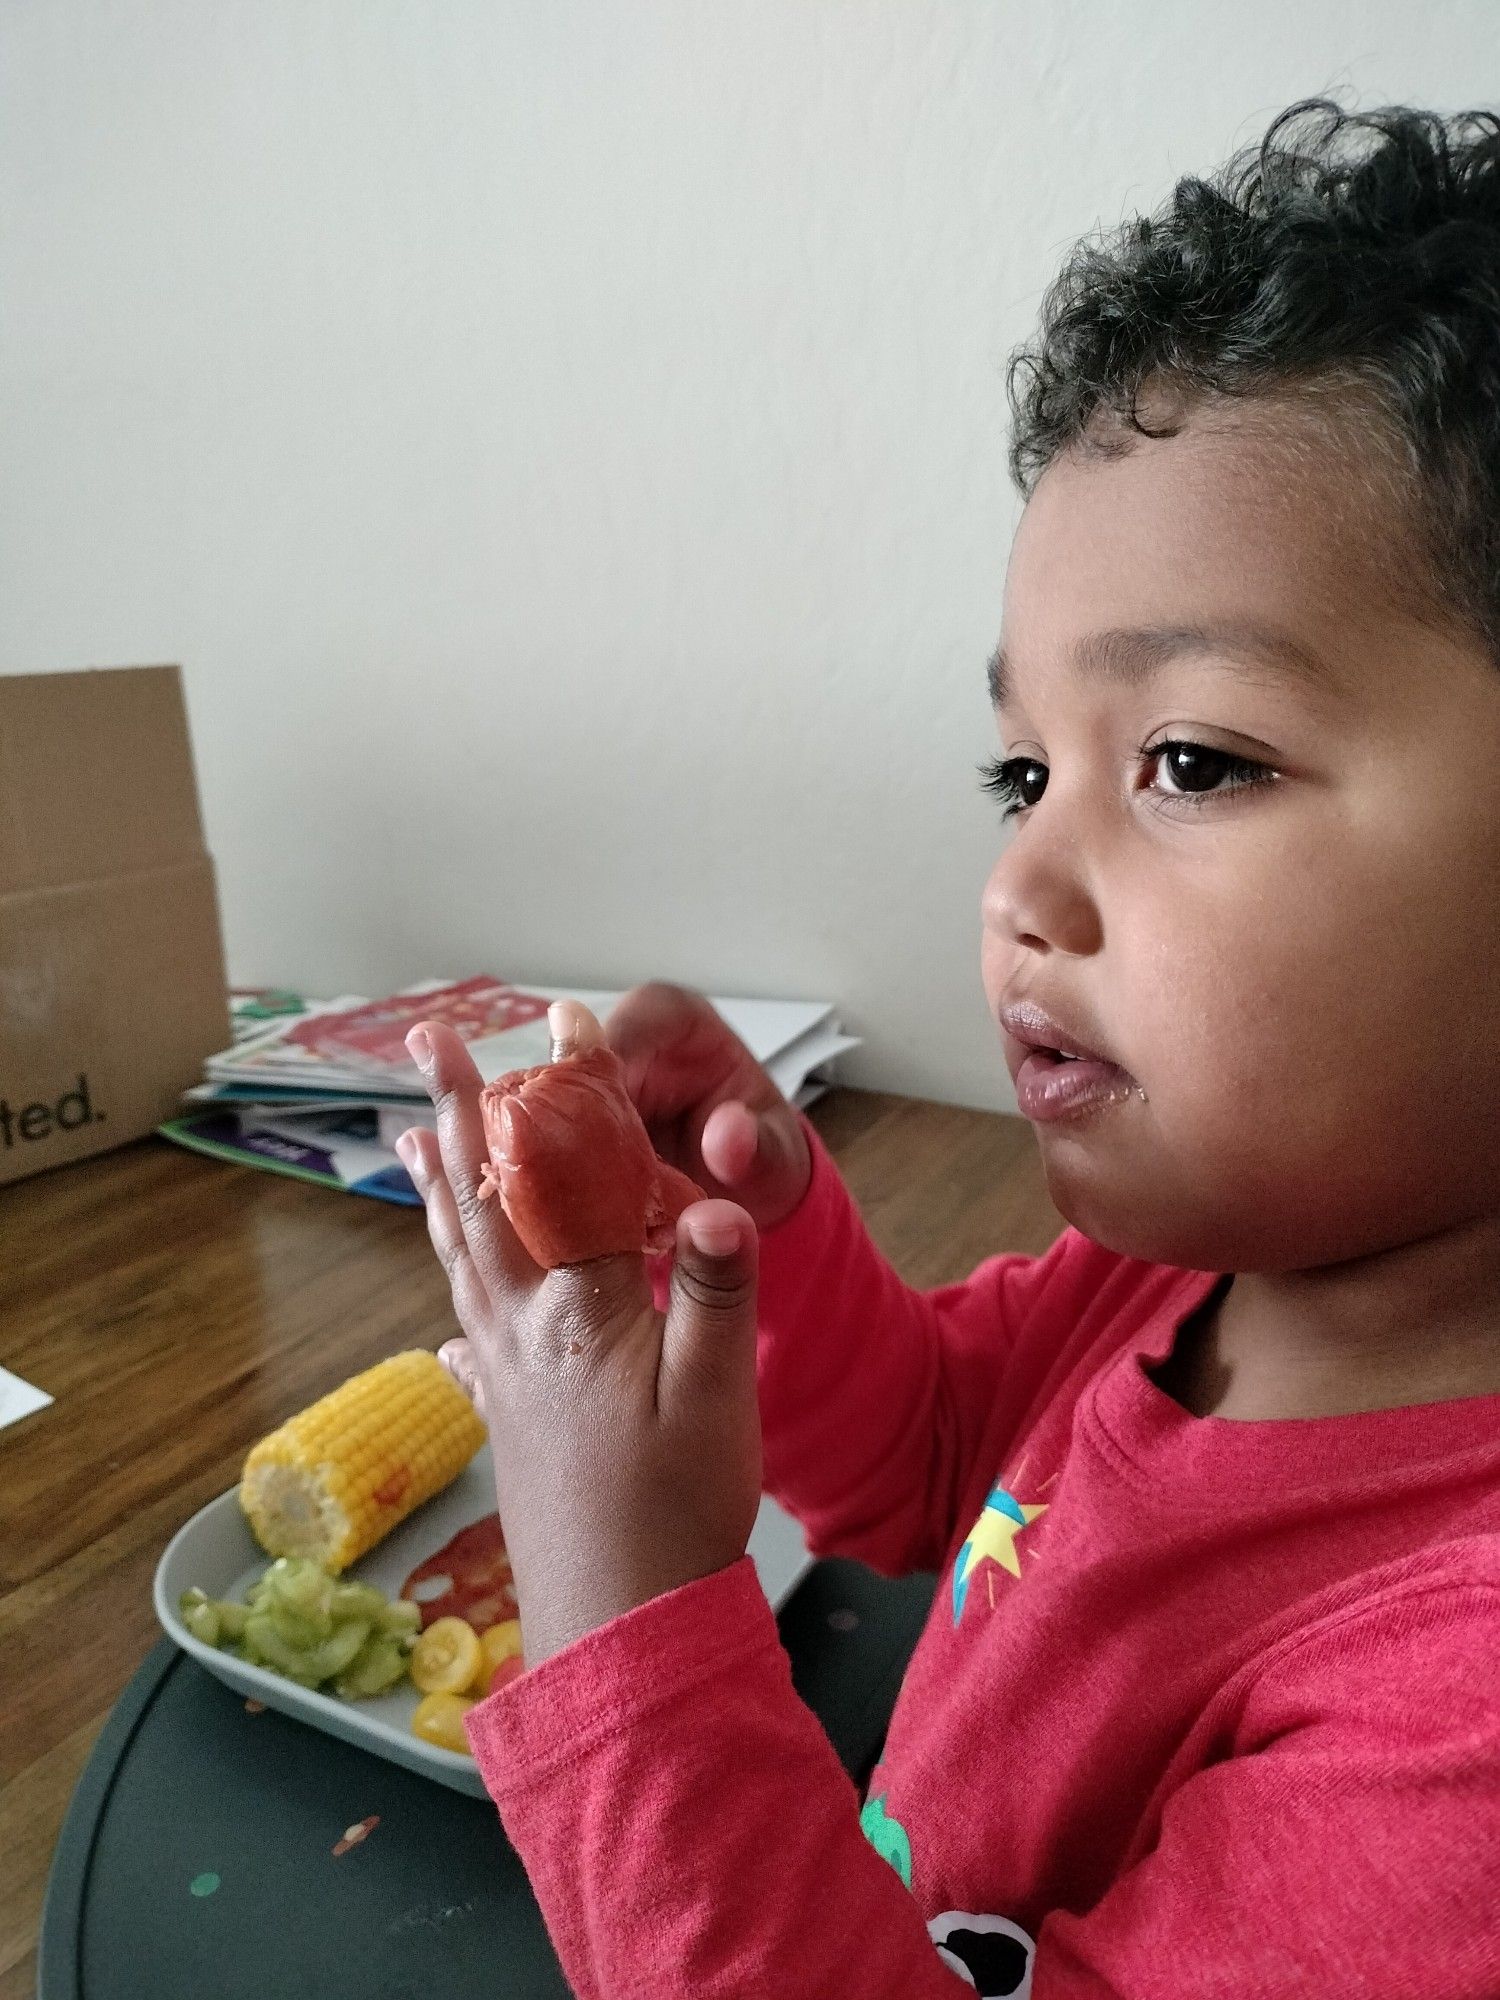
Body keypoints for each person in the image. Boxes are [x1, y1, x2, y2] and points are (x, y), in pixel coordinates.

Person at [394, 98, 1500, 1997]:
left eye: (1191, 761)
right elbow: (920, 1466)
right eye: (1024, 770)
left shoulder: (1458, 1720)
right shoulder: (1177, 1280)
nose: (1017, 880)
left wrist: (617, 1610)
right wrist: (753, 1250)